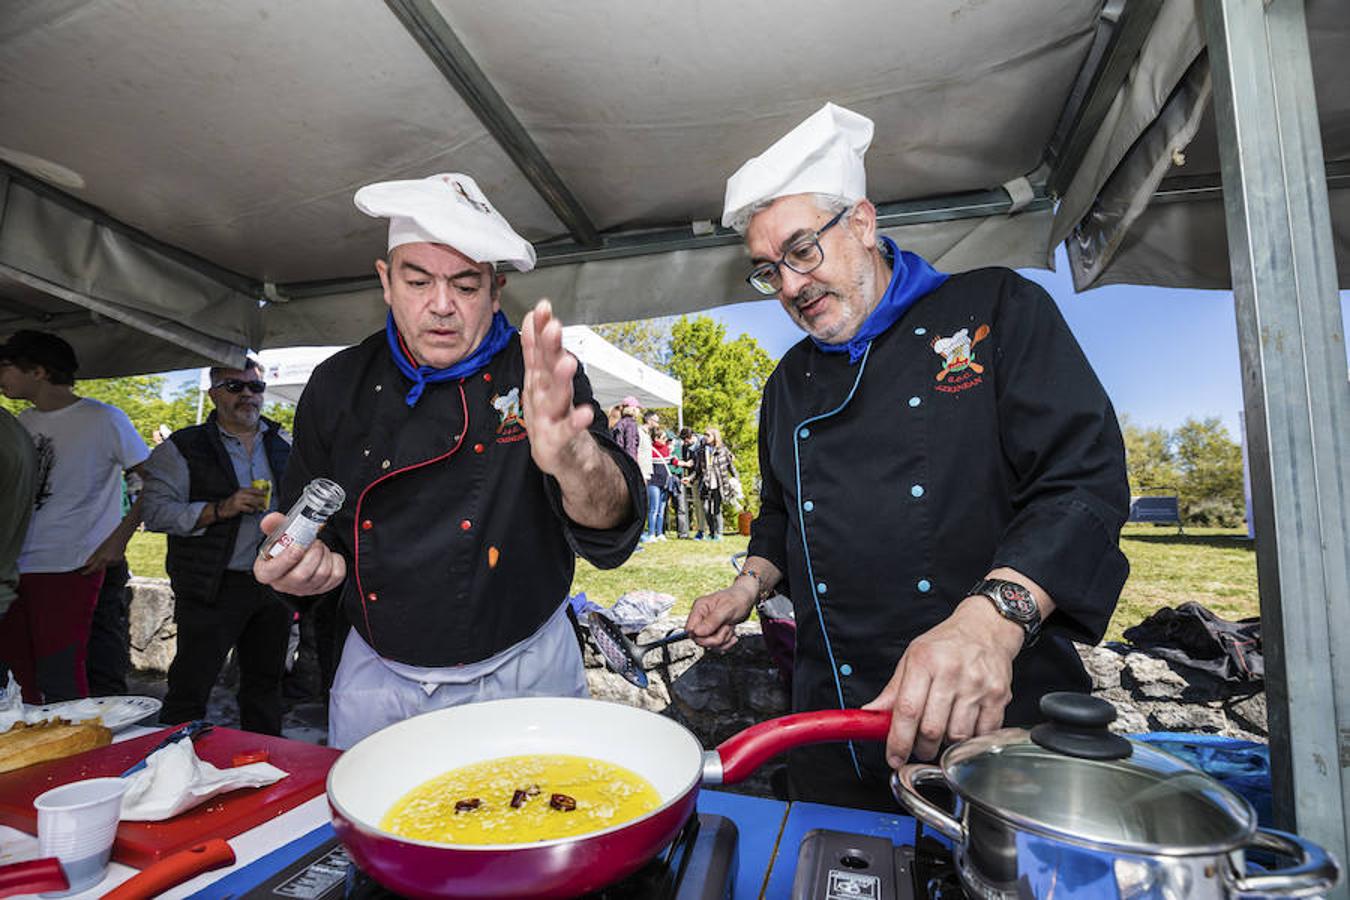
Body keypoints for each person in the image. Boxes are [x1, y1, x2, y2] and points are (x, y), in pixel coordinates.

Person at [686, 103, 1129, 810]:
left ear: (861, 222)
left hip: (992, 722)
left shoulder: (995, 309)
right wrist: (745, 590)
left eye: (803, 251)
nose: (792, 286)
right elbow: (779, 515)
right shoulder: (788, 383)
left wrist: (990, 623)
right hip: (831, 724)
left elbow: (1083, 483)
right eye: (769, 271)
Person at [253, 173, 645, 749]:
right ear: (385, 281)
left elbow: (611, 528)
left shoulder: (535, 371)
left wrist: (574, 457)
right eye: (417, 281)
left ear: (495, 290)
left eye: (465, 286)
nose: (440, 307)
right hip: (379, 678)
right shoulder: (337, 385)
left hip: (525, 670)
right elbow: (307, 527)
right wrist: (297, 565)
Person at [140, 360, 292, 734]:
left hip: (274, 583)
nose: (247, 396)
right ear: (212, 394)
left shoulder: (283, 443)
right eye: (234, 387)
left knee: (266, 687)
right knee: (191, 687)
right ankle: (173, 767)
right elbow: (156, 512)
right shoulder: (182, 447)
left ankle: (267, 767)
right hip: (212, 584)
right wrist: (219, 509)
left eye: (255, 388)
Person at [0, 330, 150, 703]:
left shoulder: (104, 419)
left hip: (70, 565)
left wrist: (119, 539)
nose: (0, 377)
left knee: (61, 673)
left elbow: (156, 482)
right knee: (19, 677)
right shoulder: (21, 422)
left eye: (5, 367)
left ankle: (78, 756)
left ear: (37, 371)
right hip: (15, 566)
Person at [692, 425, 736, 541]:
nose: (705, 437)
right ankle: (711, 532)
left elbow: (730, 466)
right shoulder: (701, 451)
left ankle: (719, 533)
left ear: (715, 437)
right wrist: (690, 478)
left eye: (708, 435)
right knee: (706, 508)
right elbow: (697, 470)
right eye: (705, 435)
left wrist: (736, 478)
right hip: (706, 483)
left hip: (719, 483)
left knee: (716, 509)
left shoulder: (723, 450)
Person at [645, 412, 672, 542]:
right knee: (653, 509)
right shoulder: (650, 450)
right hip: (653, 482)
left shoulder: (667, 449)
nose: (665, 440)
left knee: (662, 509)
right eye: (663, 438)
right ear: (656, 439)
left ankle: (660, 532)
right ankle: (651, 533)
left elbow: (672, 461)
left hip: (664, 483)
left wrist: (685, 463)